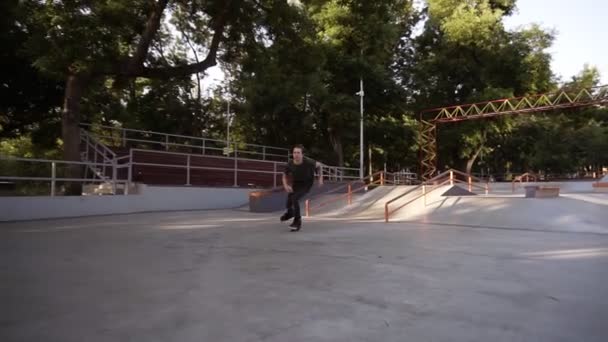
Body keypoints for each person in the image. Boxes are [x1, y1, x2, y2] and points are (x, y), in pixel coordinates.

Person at [280, 144, 323, 231]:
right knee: (289, 202)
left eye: (298, 153)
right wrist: (286, 185)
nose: (296, 155)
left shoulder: (309, 162)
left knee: (295, 199)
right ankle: (290, 213)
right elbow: (284, 175)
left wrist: (320, 178)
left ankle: (297, 222)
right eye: (294, 152)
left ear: (302, 154)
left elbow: (320, 166)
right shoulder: (290, 163)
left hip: (306, 184)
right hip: (296, 184)